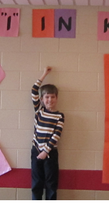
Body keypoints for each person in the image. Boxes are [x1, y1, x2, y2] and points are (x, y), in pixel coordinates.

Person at [31, 66, 64, 200]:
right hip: (36, 151)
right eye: (47, 97)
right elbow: (34, 90)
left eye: (52, 97)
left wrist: (45, 152)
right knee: (37, 183)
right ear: (42, 99)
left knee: (51, 184)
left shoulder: (59, 116)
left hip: (50, 153)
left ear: (56, 98)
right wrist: (44, 74)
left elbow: (56, 135)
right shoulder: (39, 110)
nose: (50, 100)